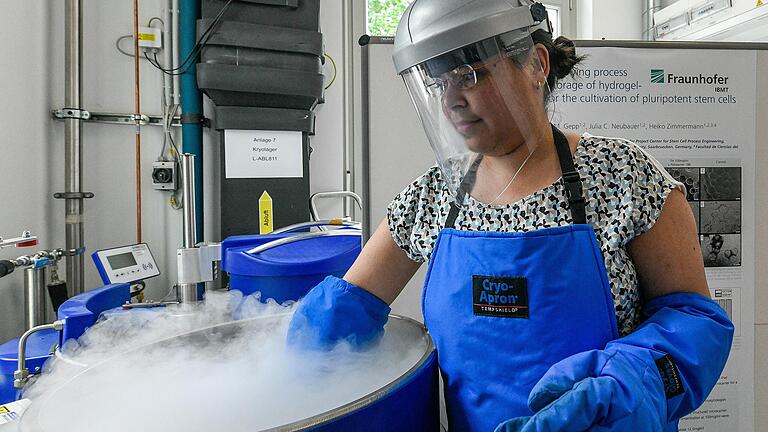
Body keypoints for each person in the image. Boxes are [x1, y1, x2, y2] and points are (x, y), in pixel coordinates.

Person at [288, 1, 734, 431]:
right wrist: (276, 370)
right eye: (440, 83)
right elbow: (346, 310)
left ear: (537, 65)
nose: (452, 101)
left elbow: (696, 322)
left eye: (469, 75)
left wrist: (631, 380)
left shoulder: (624, 177)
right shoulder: (432, 199)